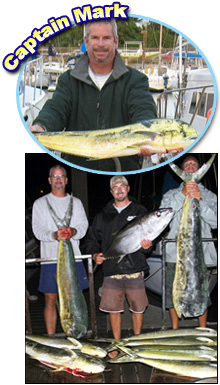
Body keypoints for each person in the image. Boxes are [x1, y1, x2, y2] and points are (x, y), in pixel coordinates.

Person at [29, 19, 157, 172]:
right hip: (76, 169)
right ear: (86, 41)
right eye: (95, 38)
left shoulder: (136, 80)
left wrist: (147, 137)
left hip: (123, 171)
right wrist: (42, 126)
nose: (100, 44)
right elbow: (56, 109)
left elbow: (144, 111)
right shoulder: (68, 80)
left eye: (106, 38)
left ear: (116, 41)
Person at [85, 176, 152, 354]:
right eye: (116, 187)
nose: (119, 189)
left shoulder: (140, 211)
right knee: (113, 309)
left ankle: (136, 342)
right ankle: (116, 343)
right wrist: (95, 255)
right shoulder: (102, 215)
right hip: (111, 269)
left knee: (138, 308)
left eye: (122, 186)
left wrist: (147, 246)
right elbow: (91, 240)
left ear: (128, 188)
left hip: (134, 268)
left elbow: (148, 240)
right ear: (111, 191)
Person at [160, 155, 217, 329]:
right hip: (174, 254)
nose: (191, 167)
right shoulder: (170, 195)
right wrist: (182, 196)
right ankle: (175, 330)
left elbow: (216, 221)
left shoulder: (209, 195)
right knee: (173, 293)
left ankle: (202, 329)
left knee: (201, 293)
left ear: (199, 169)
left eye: (194, 164)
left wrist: (200, 201)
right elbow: (164, 220)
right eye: (187, 164)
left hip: (201, 255)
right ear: (182, 171)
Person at [32, 165, 89, 335]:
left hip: (74, 259)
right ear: (50, 180)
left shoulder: (76, 203)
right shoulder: (40, 204)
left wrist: (73, 231)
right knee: (50, 299)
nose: (58, 179)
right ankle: (51, 337)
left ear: (66, 180)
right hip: (50, 259)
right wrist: (54, 235)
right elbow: (37, 230)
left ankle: (77, 334)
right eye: (54, 176)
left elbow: (83, 226)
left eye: (61, 176)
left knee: (75, 299)